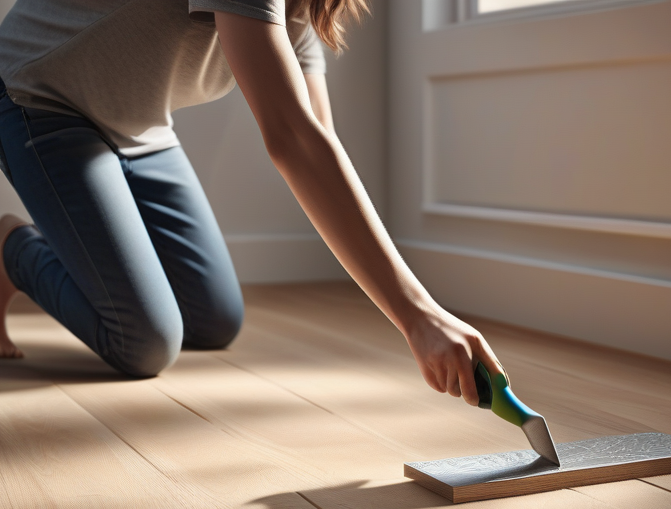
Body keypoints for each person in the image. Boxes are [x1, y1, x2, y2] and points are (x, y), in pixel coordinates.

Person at [0, 0, 503, 405]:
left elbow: (318, 135)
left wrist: (412, 309)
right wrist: (419, 315)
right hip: (39, 98)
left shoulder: (306, 7)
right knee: (143, 344)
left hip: (141, 126)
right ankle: (9, 247)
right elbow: (290, 137)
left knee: (213, 320)